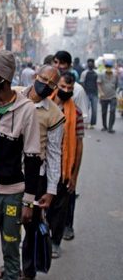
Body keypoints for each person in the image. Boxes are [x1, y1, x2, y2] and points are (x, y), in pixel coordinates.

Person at [0, 50, 42, 280]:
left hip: (13, 195)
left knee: (11, 250)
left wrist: (29, 202)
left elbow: (33, 157)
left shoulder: (27, 110)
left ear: (3, 76)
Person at [17, 65, 64, 280]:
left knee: (31, 225)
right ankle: (10, 263)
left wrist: (51, 190)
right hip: (9, 172)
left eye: (52, 84)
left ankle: (28, 271)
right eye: (44, 79)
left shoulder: (54, 114)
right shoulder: (15, 95)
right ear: (36, 76)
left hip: (36, 177)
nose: (46, 85)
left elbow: (54, 153)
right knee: (7, 222)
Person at [49, 72, 84, 257]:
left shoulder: (76, 113)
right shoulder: (45, 106)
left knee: (59, 208)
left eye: (69, 88)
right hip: (43, 165)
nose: (66, 90)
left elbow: (78, 145)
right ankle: (38, 240)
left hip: (64, 168)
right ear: (56, 86)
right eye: (63, 86)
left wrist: (74, 176)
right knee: (40, 206)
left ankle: (55, 242)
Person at [52, 51, 89, 123]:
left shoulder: (78, 89)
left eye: (62, 63)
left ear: (69, 66)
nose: (57, 66)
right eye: (55, 62)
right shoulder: (48, 84)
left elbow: (83, 118)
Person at [98, 59, 118, 133]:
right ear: (105, 67)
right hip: (104, 96)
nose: (108, 68)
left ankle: (110, 127)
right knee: (104, 112)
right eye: (107, 67)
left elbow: (116, 85)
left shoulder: (115, 75)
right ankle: (104, 126)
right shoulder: (101, 74)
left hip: (113, 96)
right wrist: (101, 92)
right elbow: (99, 84)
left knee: (112, 111)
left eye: (110, 67)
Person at [80, 58, 99, 129]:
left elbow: (98, 83)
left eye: (91, 63)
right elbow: (82, 82)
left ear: (93, 64)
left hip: (95, 93)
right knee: (86, 109)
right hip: (86, 93)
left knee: (94, 110)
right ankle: (86, 123)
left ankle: (92, 124)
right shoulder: (84, 73)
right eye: (89, 63)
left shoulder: (96, 73)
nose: (90, 64)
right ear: (87, 64)